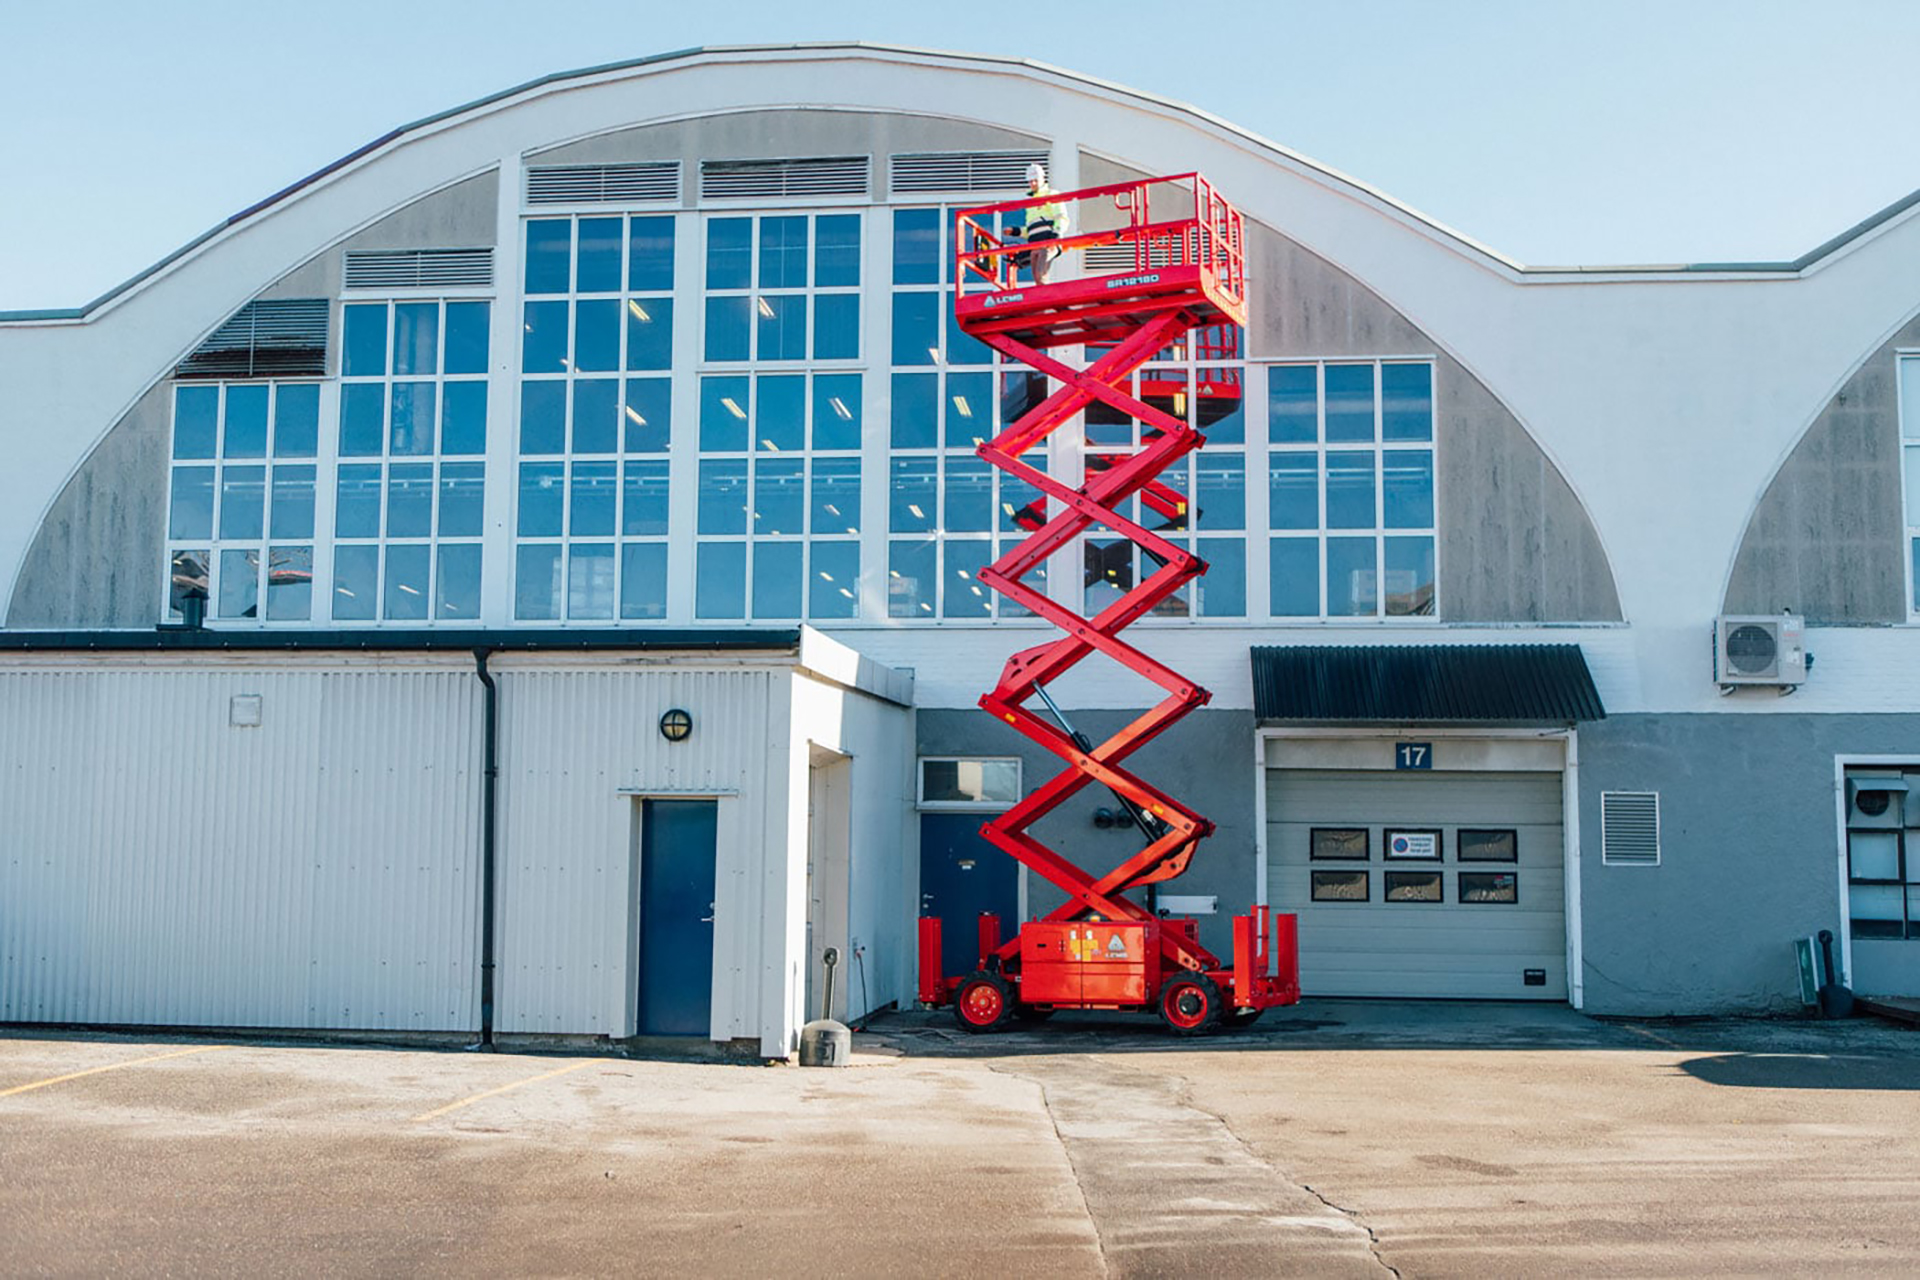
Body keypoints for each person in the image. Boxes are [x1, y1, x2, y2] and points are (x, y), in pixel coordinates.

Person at [1017, 162, 1067, 285]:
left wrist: (1056, 233)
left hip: (1048, 242)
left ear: (1042, 179)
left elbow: (1061, 217)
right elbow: (1031, 229)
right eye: (1030, 181)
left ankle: (1050, 294)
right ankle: (1046, 294)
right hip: (1035, 244)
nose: (1033, 183)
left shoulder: (1051, 194)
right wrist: (1016, 231)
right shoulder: (1030, 203)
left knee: (1041, 274)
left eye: (1035, 180)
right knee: (1037, 279)